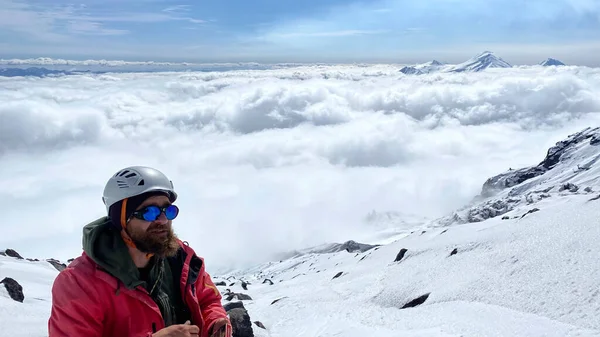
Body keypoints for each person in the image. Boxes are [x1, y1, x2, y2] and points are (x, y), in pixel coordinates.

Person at [48, 166, 232, 337]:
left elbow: (208, 301)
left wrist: (214, 323)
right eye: (149, 212)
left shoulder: (182, 260)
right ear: (121, 218)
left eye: (168, 210)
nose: (162, 220)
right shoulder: (79, 284)